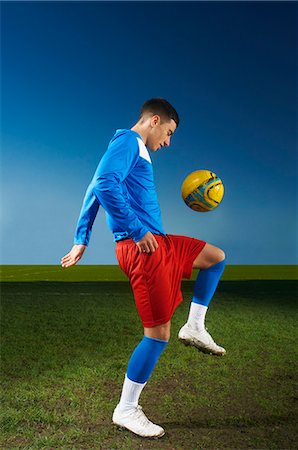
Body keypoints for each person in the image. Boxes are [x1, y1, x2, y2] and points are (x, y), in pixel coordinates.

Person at [61, 98, 226, 439]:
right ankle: (126, 408)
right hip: (143, 249)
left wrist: (81, 238)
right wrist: (136, 230)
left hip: (159, 242)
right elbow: (105, 184)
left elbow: (95, 187)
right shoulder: (128, 142)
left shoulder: (130, 146)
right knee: (157, 334)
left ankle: (195, 326)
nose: (168, 141)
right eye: (169, 132)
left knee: (214, 257)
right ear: (154, 121)